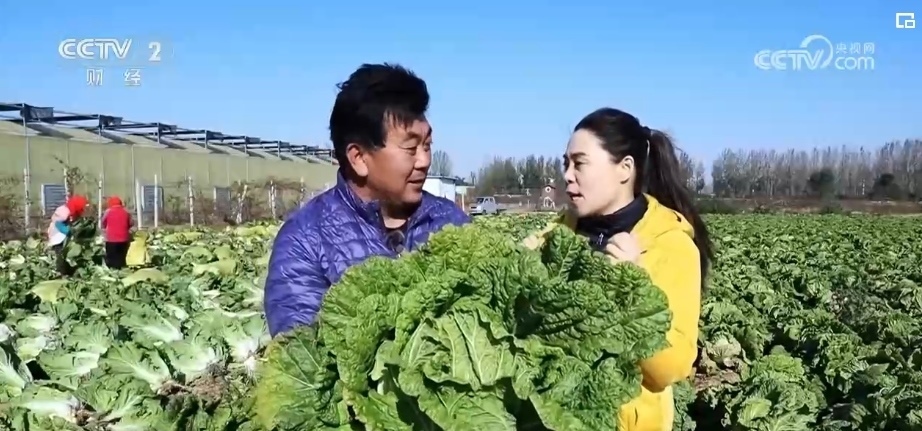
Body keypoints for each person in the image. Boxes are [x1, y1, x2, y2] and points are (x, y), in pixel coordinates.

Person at [527, 108, 714, 431]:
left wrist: (633, 289)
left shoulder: (671, 246)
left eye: (580, 163)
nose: (568, 175)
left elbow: (670, 368)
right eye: (565, 164)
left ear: (625, 168)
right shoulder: (554, 236)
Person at [263, 63, 470, 337]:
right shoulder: (304, 242)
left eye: (427, 145)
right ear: (359, 158)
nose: (424, 161)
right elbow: (301, 354)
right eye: (411, 148)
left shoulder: (452, 223)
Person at [47, 195, 89, 276]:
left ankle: (68, 272)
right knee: (61, 254)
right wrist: (67, 230)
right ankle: (61, 272)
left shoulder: (73, 211)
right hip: (58, 236)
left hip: (66, 237)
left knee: (68, 254)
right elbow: (58, 223)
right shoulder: (64, 211)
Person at [101, 196, 132, 269]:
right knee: (121, 257)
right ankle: (121, 269)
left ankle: (113, 269)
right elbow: (131, 223)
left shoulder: (108, 211)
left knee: (111, 257)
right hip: (124, 238)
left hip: (111, 239)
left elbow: (103, 222)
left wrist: (105, 228)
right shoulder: (126, 212)